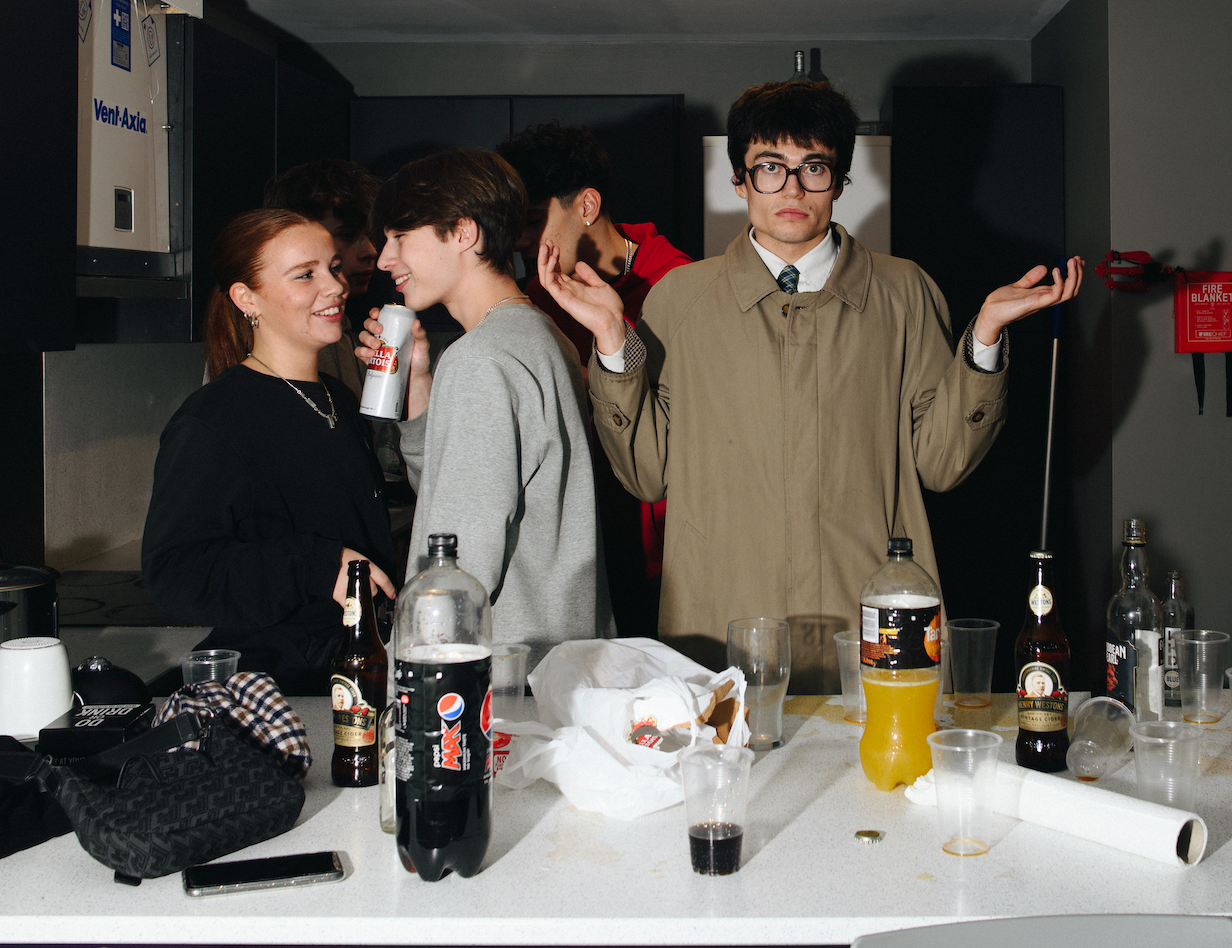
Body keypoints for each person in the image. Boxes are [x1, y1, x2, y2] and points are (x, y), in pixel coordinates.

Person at [539, 80, 1082, 691]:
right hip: (718, 626)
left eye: (813, 168)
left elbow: (942, 463)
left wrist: (982, 341)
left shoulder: (903, 293)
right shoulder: (681, 301)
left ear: (842, 180)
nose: (792, 189)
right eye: (769, 167)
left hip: (873, 617)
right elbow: (644, 473)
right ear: (739, 181)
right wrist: (613, 341)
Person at [361, 148, 613, 665]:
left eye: (400, 237)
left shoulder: (480, 358)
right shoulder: (538, 334)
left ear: (463, 233)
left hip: (495, 674)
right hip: (555, 658)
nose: (385, 259)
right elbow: (463, 493)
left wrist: (409, 678)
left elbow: (457, 562)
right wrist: (421, 388)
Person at [142, 208, 398, 694]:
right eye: (306, 275)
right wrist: (315, 565)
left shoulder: (338, 397)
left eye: (334, 268)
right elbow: (175, 573)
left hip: (353, 665)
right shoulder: (213, 421)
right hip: (282, 687)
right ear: (246, 298)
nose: (335, 286)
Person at [498, 122, 691, 635]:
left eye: (535, 220)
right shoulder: (529, 299)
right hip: (575, 542)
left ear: (586, 205)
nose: (520, 240)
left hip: (661, 548)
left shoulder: (681, 283)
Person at [262, 158, 383, 399]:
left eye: (371, 235)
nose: (371, 251)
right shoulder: (274, 341)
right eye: (348, 235)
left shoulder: (347, 328)